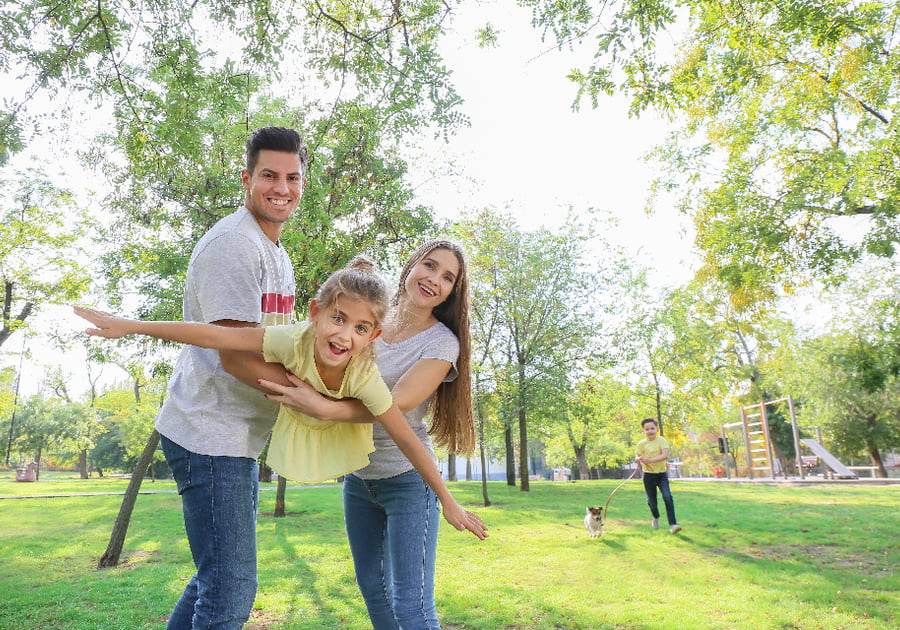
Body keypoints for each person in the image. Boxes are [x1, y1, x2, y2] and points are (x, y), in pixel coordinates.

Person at [72, 260, 487, 545]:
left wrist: (447, 500)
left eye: (361, 328)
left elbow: (407, 438)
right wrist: (131, 326)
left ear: (373, 337)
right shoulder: (294, 337)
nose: (344, 336)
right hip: (295, 431)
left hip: (348, 442)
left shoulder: (364, 376)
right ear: (315, 313)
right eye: (338, 319)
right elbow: (218, 336)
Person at [113, 126, 308, 630]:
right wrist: (313, 402)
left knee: (213, 580)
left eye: (292, 176)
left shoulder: (275, 252)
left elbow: (272, 344)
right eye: (269, 175)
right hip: (210, 433)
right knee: (230, 587)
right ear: (247, 178)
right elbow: (237, 358)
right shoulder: (233, 246)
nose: (281, 187)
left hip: (236, 436)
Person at [259, 239, 477, 630]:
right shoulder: (368, 318)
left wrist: (322, 408)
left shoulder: (442, 343)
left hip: (408, 481)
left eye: (448, 277)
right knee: (374, 593)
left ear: (451, 292)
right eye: (429, 266)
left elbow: (396, 404)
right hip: (359, 479)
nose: (434, 280)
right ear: (411, 266)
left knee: (411, 606)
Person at [635, 417, 682, 534]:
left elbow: (664, 455)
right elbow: (637, 456)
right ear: (643, 431)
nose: (650, 431)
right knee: (652, 501)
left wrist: (650, 460)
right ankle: (655, 517)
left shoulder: (661, 440)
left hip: (661, 475)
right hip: (648, 476)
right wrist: (639, 459)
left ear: (657, 429)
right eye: (647, 429)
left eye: (652, 428)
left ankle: (673, 524)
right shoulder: (641, 444)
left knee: (667, 497)